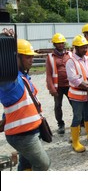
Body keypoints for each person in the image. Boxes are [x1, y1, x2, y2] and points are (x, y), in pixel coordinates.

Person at [0, 37, 50, 170]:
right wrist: (4, 47)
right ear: (16, 58)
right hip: (22, 135)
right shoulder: (10, 83)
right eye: (28, 57)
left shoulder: (23, 76)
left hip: (30, 130)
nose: (32, 60)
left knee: (26, 163)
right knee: (44, 164)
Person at [66, 34, 88, 153]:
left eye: (86, 47)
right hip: (77, 94)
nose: (85, 49)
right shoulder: (71, 61)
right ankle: (75, 142)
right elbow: (73, 78)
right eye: (82, 47)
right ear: (76, 48)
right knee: (77, 117)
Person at [45, 33, 72, 134]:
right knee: (57, 106)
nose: (61, 45)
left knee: (74, 104)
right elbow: (48, 74)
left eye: (62, 43)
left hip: (69, 85)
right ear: (54, 44)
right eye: (58, 43)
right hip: (58, 87)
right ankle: (60, 124)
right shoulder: (50, 57)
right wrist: (51, 88)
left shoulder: (69, 54)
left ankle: (79, 122)